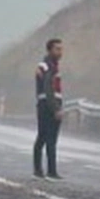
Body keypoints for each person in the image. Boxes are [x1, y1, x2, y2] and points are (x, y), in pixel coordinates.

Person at [34, 38, 65, 180]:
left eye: (61, 49)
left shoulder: (50, 66)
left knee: (43, 137)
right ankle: (50, 172)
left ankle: (39, 170)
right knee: (49, 138)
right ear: (50, 50)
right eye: (57, 49)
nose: (60, 52)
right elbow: (48, 89)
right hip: (47, 105)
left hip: (46, 104)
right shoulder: (47, 66)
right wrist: (56, 109)